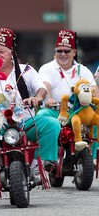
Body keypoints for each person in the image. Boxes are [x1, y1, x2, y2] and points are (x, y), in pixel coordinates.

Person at [0, 28, 61, 186]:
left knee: (52, 124)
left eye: (2, 52)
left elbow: (41, 89)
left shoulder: (26, 70)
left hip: (25, 121)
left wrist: (37, 98)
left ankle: (38, 167)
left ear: (11, 53)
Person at [37, 29, 99, 161]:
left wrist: (92, 97)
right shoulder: (47, 68)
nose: (63, 54)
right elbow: (44, 85)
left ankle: (93, 158)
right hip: (55, 111)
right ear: (55, 51)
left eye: (67, 51)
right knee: (41, 116)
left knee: (97, 119)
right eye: (59, 51)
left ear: (74, 52)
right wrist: (49, 98)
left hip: (79, 112)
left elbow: (93, 88)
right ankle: (46, 160)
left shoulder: (82, 70)